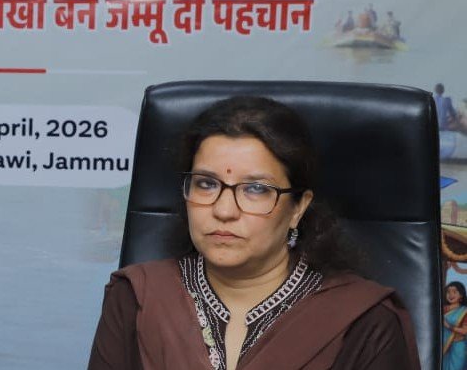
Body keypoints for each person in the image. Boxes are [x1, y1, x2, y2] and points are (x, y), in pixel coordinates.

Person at [88, 96, 419, 370]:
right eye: (206, 184)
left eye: (256, 189)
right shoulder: (137, 298)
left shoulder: (364, 322)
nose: (224, 210)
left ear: (298, 208)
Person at [444, 282, 467, 370]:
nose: (450, 295)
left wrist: (448, 326)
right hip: (442, 346)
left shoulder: (464, 311)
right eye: (448, 292)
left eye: (454, 292)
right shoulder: (441, 309)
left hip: (458, 346)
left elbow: (465, 331)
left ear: (461, 295)